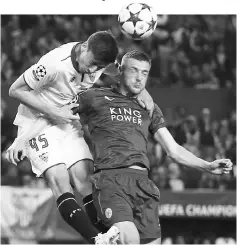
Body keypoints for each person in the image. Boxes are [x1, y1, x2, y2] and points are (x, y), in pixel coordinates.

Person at [6, 49, 233, 244]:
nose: (139, 78)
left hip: (144, 186)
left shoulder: (149, 107)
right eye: (133, 70)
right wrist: (23, 139)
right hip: (112, 182)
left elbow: (173, 150)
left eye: (144, 73)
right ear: (120, 70)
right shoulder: (93, 97)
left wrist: (207, 166)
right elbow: (54, 114)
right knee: (129, 240)